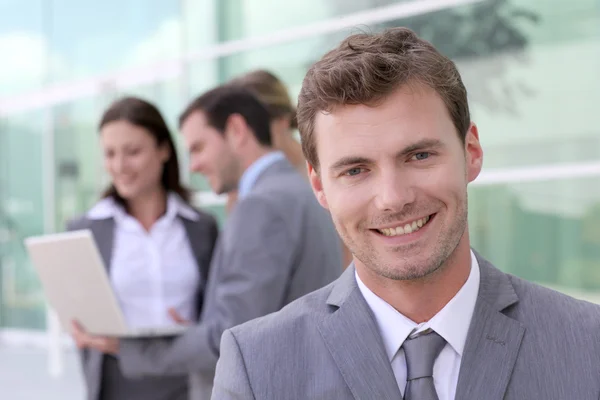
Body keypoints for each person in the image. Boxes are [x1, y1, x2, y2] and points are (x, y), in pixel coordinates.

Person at [211, 27, 600, 399]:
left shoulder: (588, 343)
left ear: (472, 152)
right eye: (356, 170)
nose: (393, 199)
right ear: (319, 186)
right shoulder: (257, 367)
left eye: (419, 155)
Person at [73, 86, 343, 399]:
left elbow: (230, 337)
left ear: (236, 130)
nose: (194, 165)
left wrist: (129, 349)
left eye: (199, 147)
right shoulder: (300, 191)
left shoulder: (259, 206)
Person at [68, 96, 219, 400]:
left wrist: (198, 328)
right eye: (110, 154)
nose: (120, 166)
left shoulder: (202, 227)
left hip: (188, 379)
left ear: (164, 150)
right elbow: (77, 312)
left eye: (133, 152)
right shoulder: (86, 230)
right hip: (117, 380)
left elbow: (218, 311)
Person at [228, 69, 354, 269]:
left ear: (282, 120)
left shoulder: (322, 171)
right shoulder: (245, 187)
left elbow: (348, 250)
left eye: (254, 123)